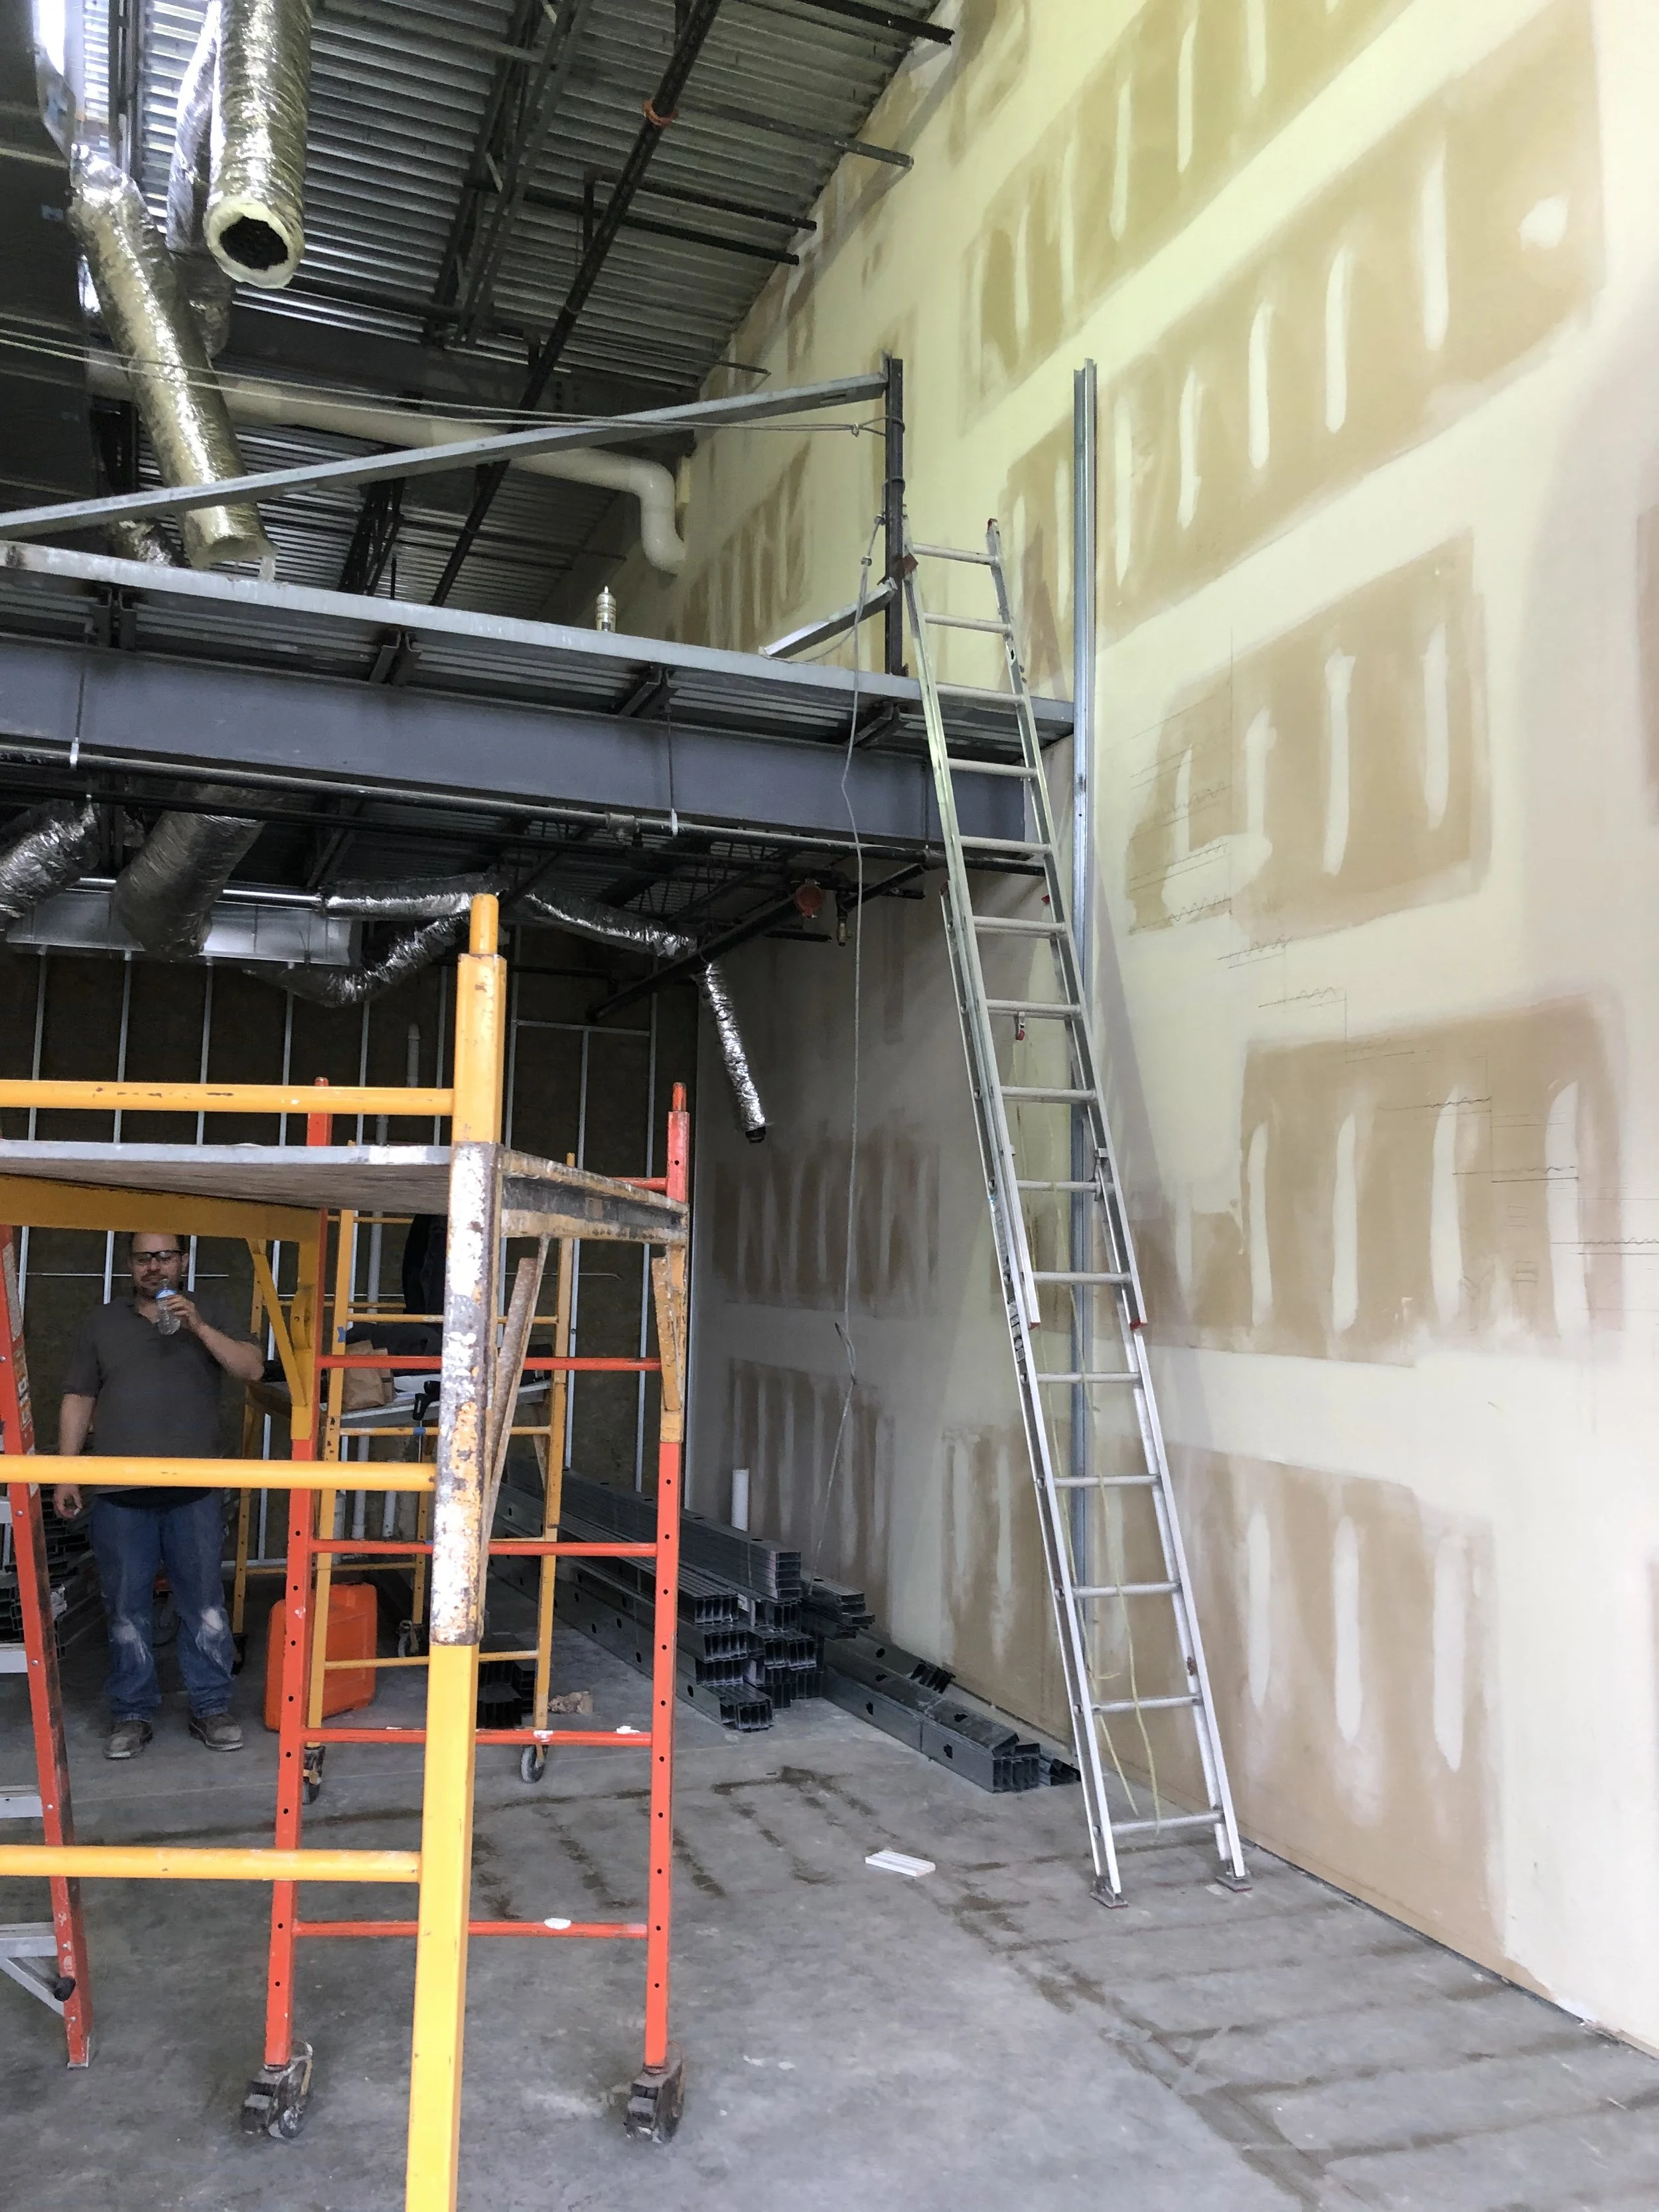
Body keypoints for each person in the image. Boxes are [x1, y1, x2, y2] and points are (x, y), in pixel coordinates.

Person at [52, 1231, 264, 1760]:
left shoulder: (209, 1311)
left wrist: (198, 1326)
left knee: (205, 1607)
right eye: (144, 1257)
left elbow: (252, 1368)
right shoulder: (102, 1323)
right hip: (121, 1494)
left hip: (192, 1492)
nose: (154, 1266)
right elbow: (79, 1397)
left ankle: (211, 1707)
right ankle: (131, 1713)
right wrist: (65, 1472)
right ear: (130, 1264)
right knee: (124, 1609)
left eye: (165, 1255)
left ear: (183, 1260)